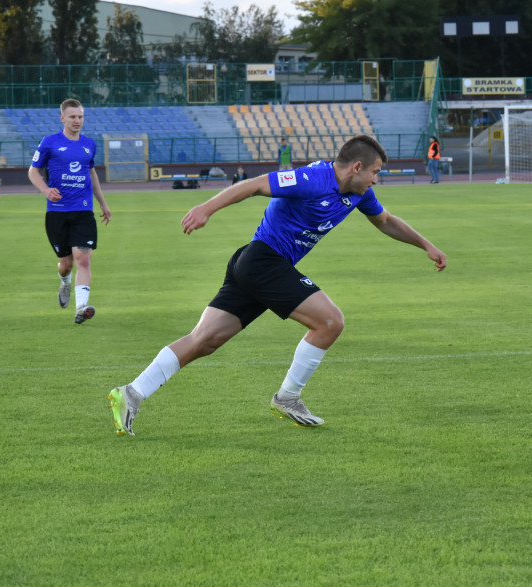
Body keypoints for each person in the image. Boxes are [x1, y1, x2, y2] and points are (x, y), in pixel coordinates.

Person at [107, 135, 447, 437]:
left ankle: (131, 394)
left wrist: (426, 245)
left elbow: (386, 221)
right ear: (356, 167)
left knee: (204, 341)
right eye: (375, 172)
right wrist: (206, 207)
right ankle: (287, 398)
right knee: (330, 321)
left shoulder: (359, 194)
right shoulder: (313, 178)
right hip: (262, 261)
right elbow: (255, 184)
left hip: (256, 266)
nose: (376, 179)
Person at [27, 98, 112, 324]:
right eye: (73, 117)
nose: (77, 121)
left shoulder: (89, 145)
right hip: (57, 212)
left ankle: (81, 308)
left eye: (80, 117)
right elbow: (33, 172)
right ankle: (64, 281)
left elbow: (91, 174)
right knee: (67, 264)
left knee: (83, 258)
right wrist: (46, 190)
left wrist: (103, 204)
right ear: (62, 118)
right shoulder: (49, 143)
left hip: (83, 211)